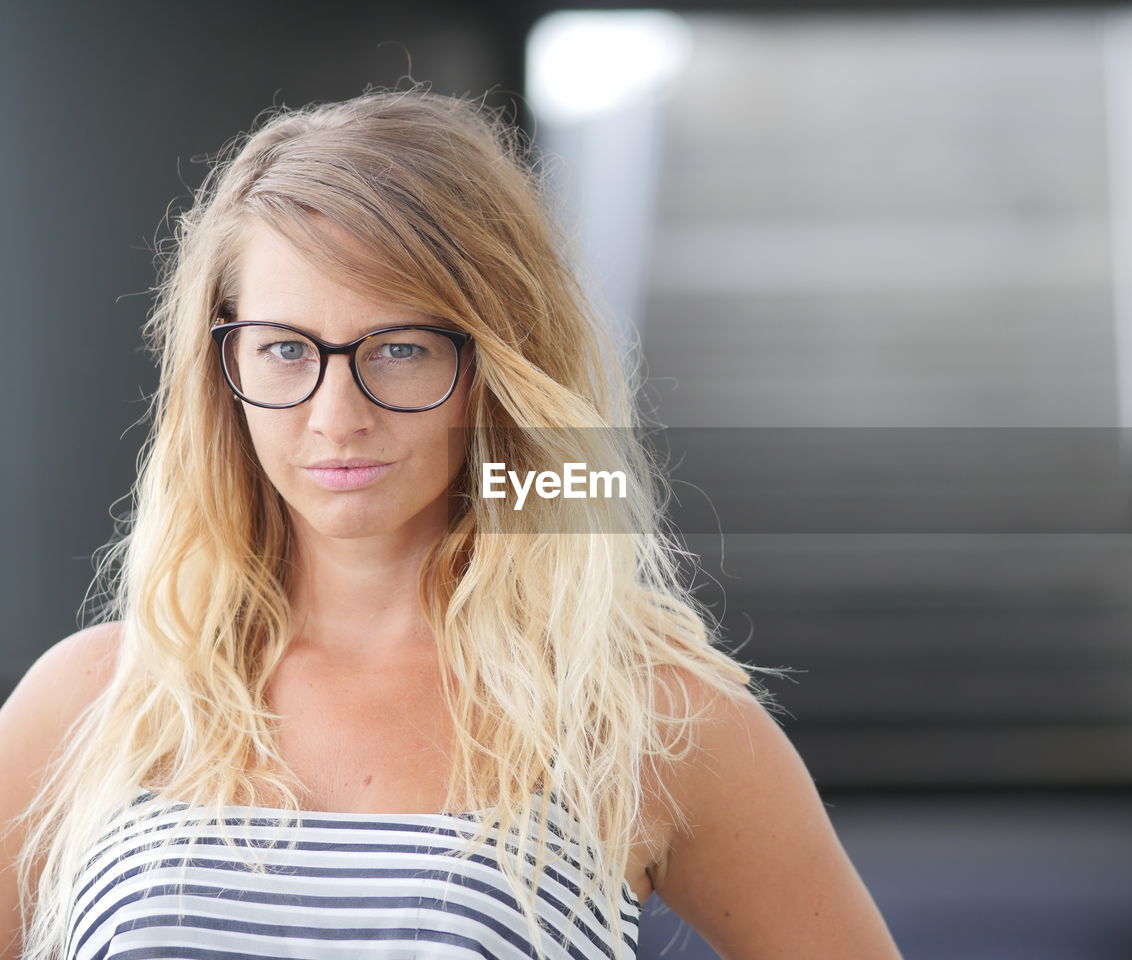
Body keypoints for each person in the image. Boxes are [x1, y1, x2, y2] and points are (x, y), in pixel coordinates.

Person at [0, 86, 902, 960]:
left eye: (399, 349)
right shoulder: (93, 700)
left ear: (498, 368)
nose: (336, 415)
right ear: (222, 369)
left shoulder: (643, 719)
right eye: (284, 350)